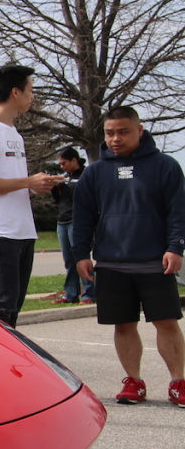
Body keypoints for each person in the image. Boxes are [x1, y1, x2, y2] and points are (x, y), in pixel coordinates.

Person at [71, 106, 185, 406]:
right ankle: (133, 382)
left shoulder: (166, 166)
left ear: (139, 131)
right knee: (123, 325)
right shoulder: (95, 172)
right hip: (110, 262)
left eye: (123, 132)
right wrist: (81, 253)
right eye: (110, 133)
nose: (115, 139)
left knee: (166, 323)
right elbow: (82, 217)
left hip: (155, 263)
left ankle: (178, 382)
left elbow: (178, 212)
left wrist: (176, 247)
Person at [0, 64, 64, 326]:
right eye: (31, 90)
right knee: (4, 305)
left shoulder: (14, 133)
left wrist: (35, 184)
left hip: (23, 230)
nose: (33, 96)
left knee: (14, 305)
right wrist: (26, 181)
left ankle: (7, 364)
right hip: (1, 231)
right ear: (16, 92)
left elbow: (12, 181)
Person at [51, 146, 96, 304]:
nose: (62, 167)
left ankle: (89, 293)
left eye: (64, 163)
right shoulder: (65, 177)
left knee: (81, 258)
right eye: (60, 164)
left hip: (77, 221)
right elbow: (59, 200)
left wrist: (66, 187)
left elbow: (85, 196)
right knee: (69, 260)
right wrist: (55, 188)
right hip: (62, 221)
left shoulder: (86, 175)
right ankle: (70, 293)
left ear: (74, 160)